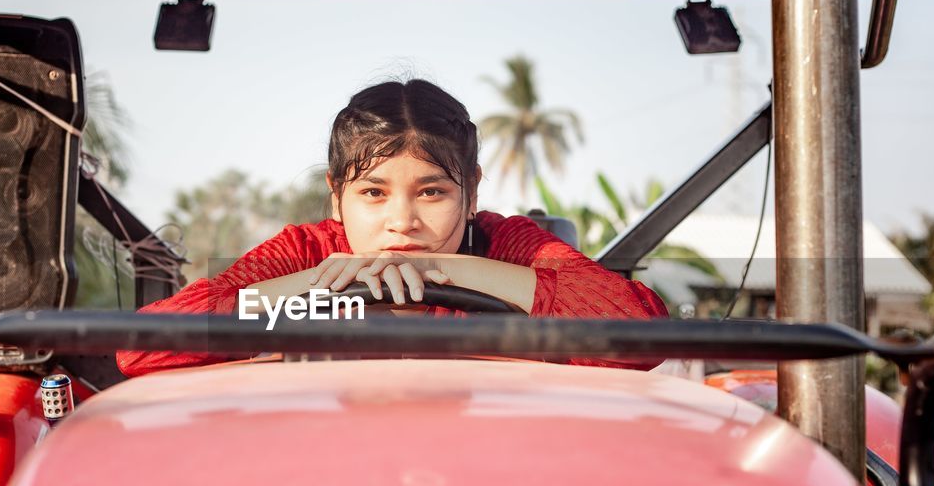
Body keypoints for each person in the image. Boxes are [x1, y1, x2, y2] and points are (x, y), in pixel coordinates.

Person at [117, 80, 667, 376]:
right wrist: (314, 290)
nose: (402, 222)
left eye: (432, 192)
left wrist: (443, 268)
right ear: (336, 196)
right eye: (372, 193)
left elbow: (639, 331)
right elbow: (140, 348)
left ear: (472, 192)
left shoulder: (509, 246)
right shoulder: (307, 253)